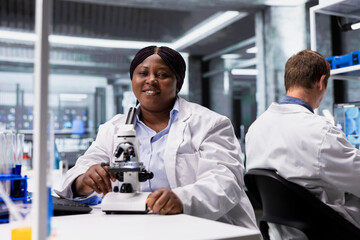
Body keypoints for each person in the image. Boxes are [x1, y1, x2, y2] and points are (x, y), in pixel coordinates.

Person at [57, 45, 258, 229]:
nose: (151, 79)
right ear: (133, 80)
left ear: (177, 83)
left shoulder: (210, 124)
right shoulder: (113, 128)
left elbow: (225, 182)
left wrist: (182, 199)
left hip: (205, 226)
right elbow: (81, 170)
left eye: (162, 74)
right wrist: (84, 180)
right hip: (136, 227)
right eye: (142, 73)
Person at [245, 49, 360, 239]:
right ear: (321, 82)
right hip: (326, 231)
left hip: (280, 234)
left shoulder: (256, 128)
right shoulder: (320, 132)